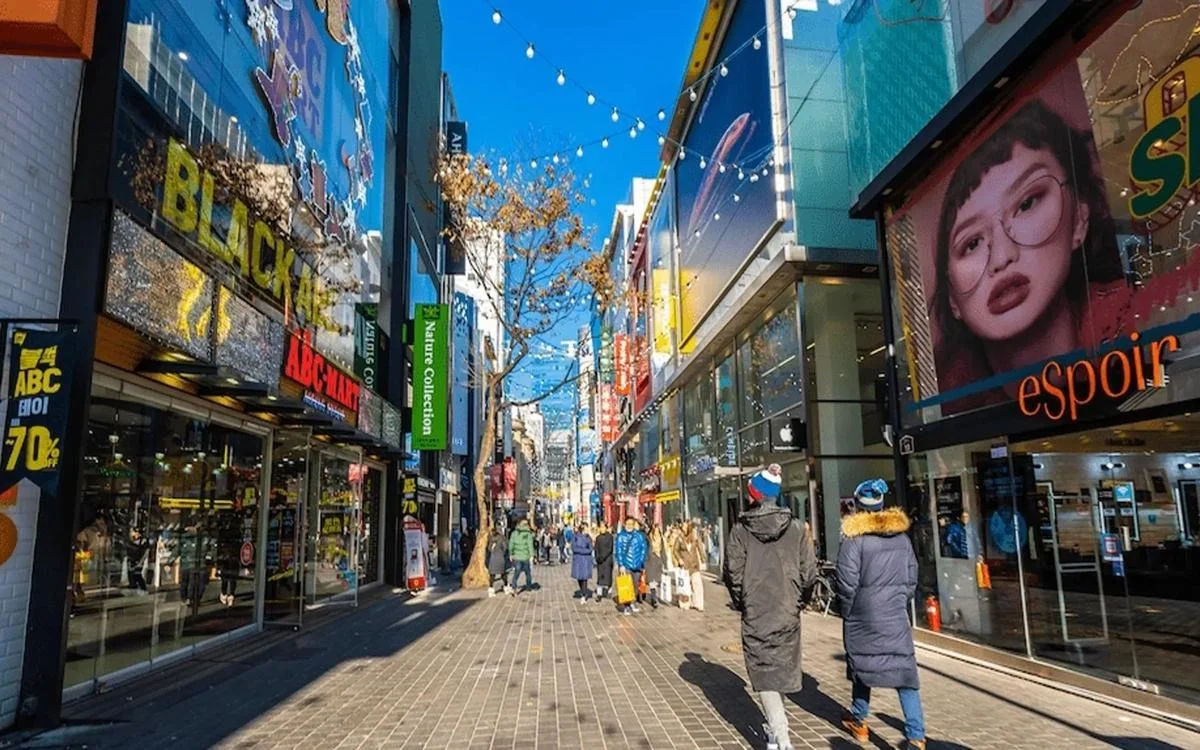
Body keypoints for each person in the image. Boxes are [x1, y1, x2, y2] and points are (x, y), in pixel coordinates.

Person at [927, 98, 1122, 414]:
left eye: (1027, 204)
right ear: (952, 299)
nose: (1002, 256)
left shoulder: (1145, 330)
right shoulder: (944, 403)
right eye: (972, 243)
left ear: (1080, 217)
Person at [724, 464, 818, 750]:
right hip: (788, 607)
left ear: (755, 494)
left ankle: (781, 737)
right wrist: (800, 600)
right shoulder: (799, 528)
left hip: (757, 609)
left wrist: (744, 601)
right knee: (780, 668)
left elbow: (733, 573)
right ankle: (776, 726)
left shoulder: (741, 530)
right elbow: (809, 573)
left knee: (764, 671)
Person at [837, 478, 926, 750]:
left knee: (862, 667)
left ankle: (860, 721)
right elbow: (912, 579)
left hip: (863, 615)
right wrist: (899, 602)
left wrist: (850, 612)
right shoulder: (902, 540)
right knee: (904, 673)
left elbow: (846, 583)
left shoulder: (854, 542)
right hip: (895, 615)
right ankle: (916, 735)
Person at [614, 517, 648, 615]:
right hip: (626, 565)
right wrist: (621, 565)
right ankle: (627, 606)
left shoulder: (639, 536)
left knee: (636, 585)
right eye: (627, 524)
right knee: (626, 586)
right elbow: (619, 551)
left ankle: (633, 602)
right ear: (625, 524)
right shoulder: (621, 536)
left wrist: (641, 560)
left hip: (637, 564)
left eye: (631, 524)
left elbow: (643, 548)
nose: (629, 526)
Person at [674, 521, 706, 612]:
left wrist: (703, 558)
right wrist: (679, 559)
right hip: (684, 565)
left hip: (694, 564)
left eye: (684, 527)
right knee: (685, 585)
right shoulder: (679, 538)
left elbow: (699, 547)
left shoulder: (694, 537)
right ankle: (685, 603)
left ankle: (698, 603)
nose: (682, 528)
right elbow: (675, 550)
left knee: (697, 584)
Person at [507, 518, 535, 594]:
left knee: (517, 572)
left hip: (517, 556)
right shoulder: (528, 534)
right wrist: (532, 555)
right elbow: (530, 545)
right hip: (526, 556)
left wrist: (511, 553)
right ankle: (528, 587)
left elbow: (511, 544)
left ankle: (514, 587)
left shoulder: (514, 533)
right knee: (528, 573)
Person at [570, 524, 594, 601]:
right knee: (579, 578)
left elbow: (590, 549)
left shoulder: (588, 538)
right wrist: (584, 551)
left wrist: (582, 551)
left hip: (586, 560)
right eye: (586, 528)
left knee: (585, 578)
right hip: (578, 561)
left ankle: (584, 594)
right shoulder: (575, 537)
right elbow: (574, 548)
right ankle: (582, 591)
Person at [644, 525, 665, 609]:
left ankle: (653, 596)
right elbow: (646, 551)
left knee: (656, 582)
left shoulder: (661, 540)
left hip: (658, 562)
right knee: (652, 582)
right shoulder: (648, 540)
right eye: (655, 532)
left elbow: (664, 552)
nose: (656, 534)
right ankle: (654, 599)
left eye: (658, 532)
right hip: (650, 562)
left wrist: (665, 563)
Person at [487, 523, 509, 597]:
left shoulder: (491, 538)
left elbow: (489, 549)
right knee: (503, 574)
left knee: (492, 575)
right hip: (500, 558)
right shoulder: (502, 538)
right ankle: (506, 588)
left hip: (493, 558)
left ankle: (491, 590)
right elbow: (505, 548)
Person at [594, 522, 614, 601]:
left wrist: (603, 557)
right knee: (600, 577)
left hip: (607, 560)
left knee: (608, 576)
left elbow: (610, 549)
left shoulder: (610, 537)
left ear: (606, 528)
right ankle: (599, 593)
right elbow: (596, 548)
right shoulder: (598, 537)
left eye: (603, 527)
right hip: (600, 560)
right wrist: (597, 557)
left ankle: (609, 590)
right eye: (600, 527)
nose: (602, 529)